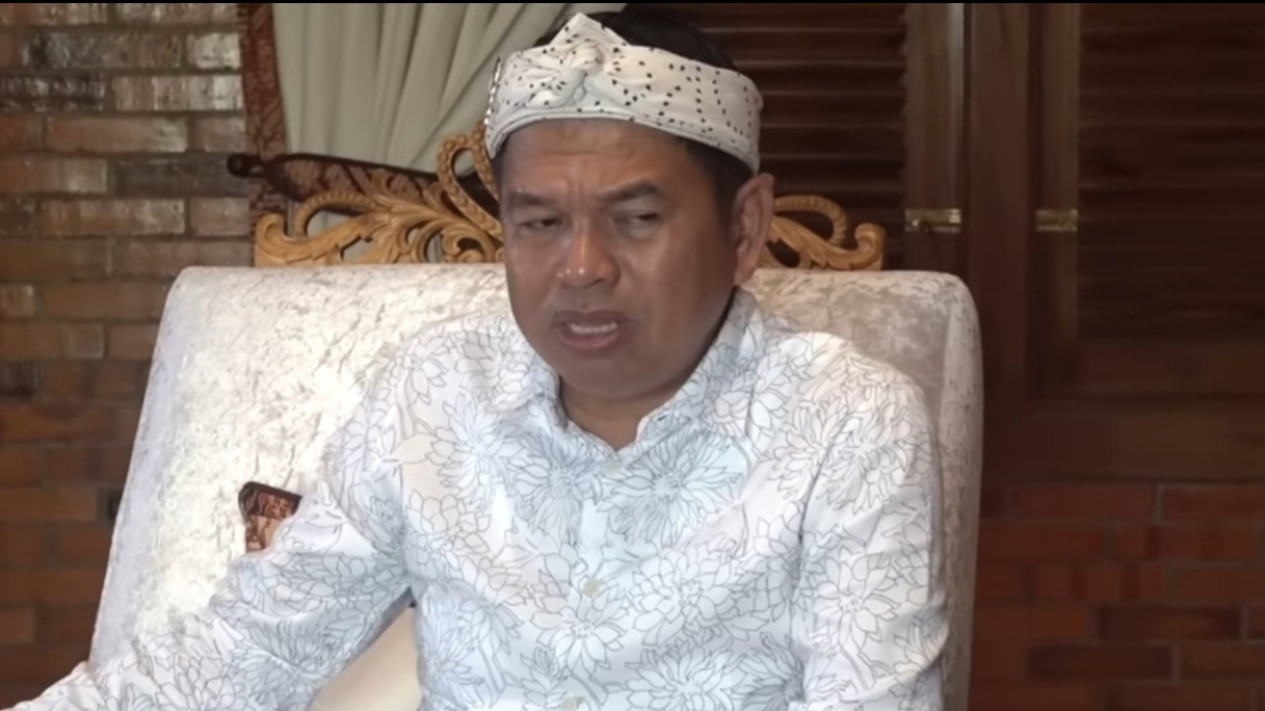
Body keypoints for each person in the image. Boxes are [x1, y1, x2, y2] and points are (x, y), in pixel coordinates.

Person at [9, 8, 946, 710]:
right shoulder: (434, 392)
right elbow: (249, 647)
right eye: (539, 222)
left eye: (636, 217)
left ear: (743, 228)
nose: (580, 267)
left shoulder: (847, 420)